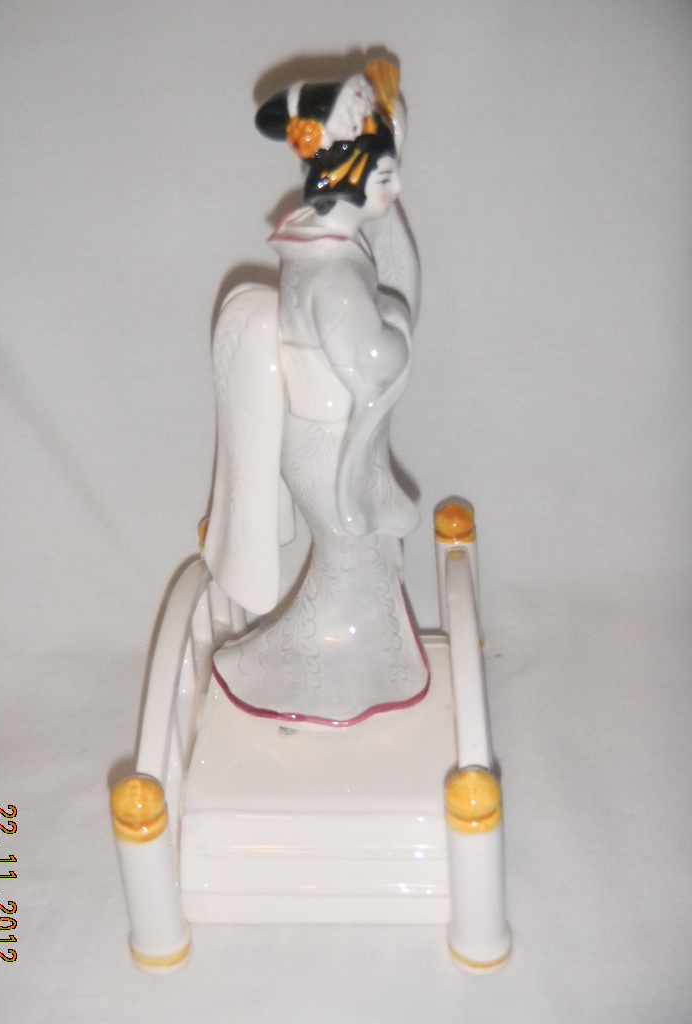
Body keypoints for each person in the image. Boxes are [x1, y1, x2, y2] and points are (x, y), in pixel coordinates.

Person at [205, 60, 429, 726]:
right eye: (384, 178)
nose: (396, 189)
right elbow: (374, 364)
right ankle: (338, 672)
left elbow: (395, 277)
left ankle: (349, 660)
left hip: (320, 442)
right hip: (330, 452)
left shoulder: (323, 248)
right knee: (354, 566)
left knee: (358, 563)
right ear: (351, 176)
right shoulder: (334, 275)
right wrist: (393, 322)